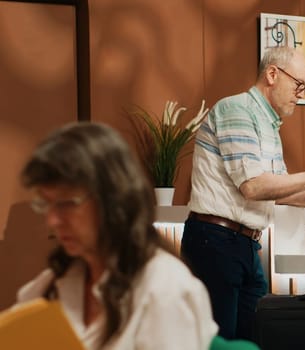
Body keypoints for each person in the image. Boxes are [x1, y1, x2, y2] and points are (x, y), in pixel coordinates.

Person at [182, 46, 305, 340]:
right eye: (299, 85)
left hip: (244, 246)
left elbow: (279, 191)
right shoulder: (237, 110)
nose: (301, 93)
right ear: (272, 74)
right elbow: (253, 186)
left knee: (252, 341)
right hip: (215, 243)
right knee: (220, 343)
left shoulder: (269, 125)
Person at [15, 122, 218, 349]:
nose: (52, 220)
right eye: (46, 204)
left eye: (67, 204)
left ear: (112, 200)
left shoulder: (165, 289)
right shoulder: (51, 283)